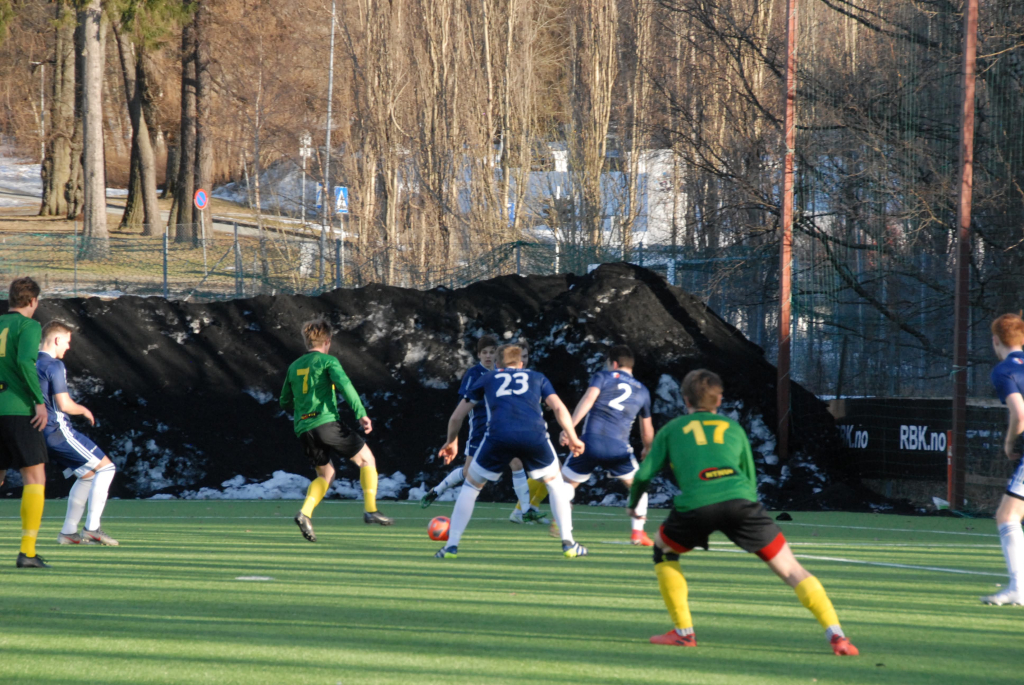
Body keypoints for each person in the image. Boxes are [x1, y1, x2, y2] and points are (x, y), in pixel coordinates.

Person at [628, 369, 858, 655]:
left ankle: (684, 633)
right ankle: (838, 636)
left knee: (663, 551)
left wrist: (633, 505)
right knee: (791, 569)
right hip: (742, 504)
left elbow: (643, 475)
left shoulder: (672, 429)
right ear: (719, 400)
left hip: (697, 506)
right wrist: (747, 513)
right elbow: (749, 477)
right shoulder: (733, 428)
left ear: (685, 399)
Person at [434, 343, 587, 558]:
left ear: (497, 364)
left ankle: (451, 546)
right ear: (521, 363)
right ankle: (568, 543)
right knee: (555, 484)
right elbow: (559, 408)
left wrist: (451, 441)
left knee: (471, 486)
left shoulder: (488, 378)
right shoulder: (537, 377)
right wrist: (573, 437)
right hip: (534, 436)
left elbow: (457, 416)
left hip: (498, 437)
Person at [280, 318, 393, 542]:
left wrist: (304, 405)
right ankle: (371, 510)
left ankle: (305, 513)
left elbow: (284, 401)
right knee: (367, 460)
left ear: (307, 342)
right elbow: (345, 385)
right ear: (328, 341)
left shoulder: (294, 366)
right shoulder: (328, 361)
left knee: (326, 474)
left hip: (304, 429)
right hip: (326, 422)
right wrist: (361, 413)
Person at [560, 345, 654, 545]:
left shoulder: (602, 377)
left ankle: (560, 521)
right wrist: (648, 448)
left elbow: (588, 400)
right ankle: (638, 532)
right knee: (638, 486)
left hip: (589, 442)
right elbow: (646, 429)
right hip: (617, 448)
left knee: (565, 485)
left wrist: (569, 429)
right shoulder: (643, 390)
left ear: (614, 363)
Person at [37, 320, 118, 546]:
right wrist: (83, 410)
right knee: (107, 468)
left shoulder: (31, 363)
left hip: (40, 433)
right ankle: (92, 529)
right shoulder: (54, 365)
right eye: (67, 341)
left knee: (87, 476)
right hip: (58, 431)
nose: (69, 347)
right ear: (56, 340)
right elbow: (64, 404)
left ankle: (68, 533)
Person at [0, 277, 51, 568]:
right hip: (18, 409)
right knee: (34, 477)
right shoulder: (29, 326)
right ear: (33, 301)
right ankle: (27, 552)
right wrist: (38, 401)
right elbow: (24, 362)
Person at [421, 336, 498, 508]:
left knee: (517, 462)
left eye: (492, 352)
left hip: (501, 430)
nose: (488, 356)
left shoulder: (502, 373)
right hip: (480, 430)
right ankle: (437, 490)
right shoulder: (473, 374)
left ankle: (524, 510)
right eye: (484, 352)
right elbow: (460, 409)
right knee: (468, 472)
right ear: (478, 354)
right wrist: (453, 439)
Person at [982, 313, 1024, 606]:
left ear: (995, 340)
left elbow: (1020, 413)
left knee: (1007, 516)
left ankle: (1019, 588)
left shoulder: (1004, 370)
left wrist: (1010, 443)